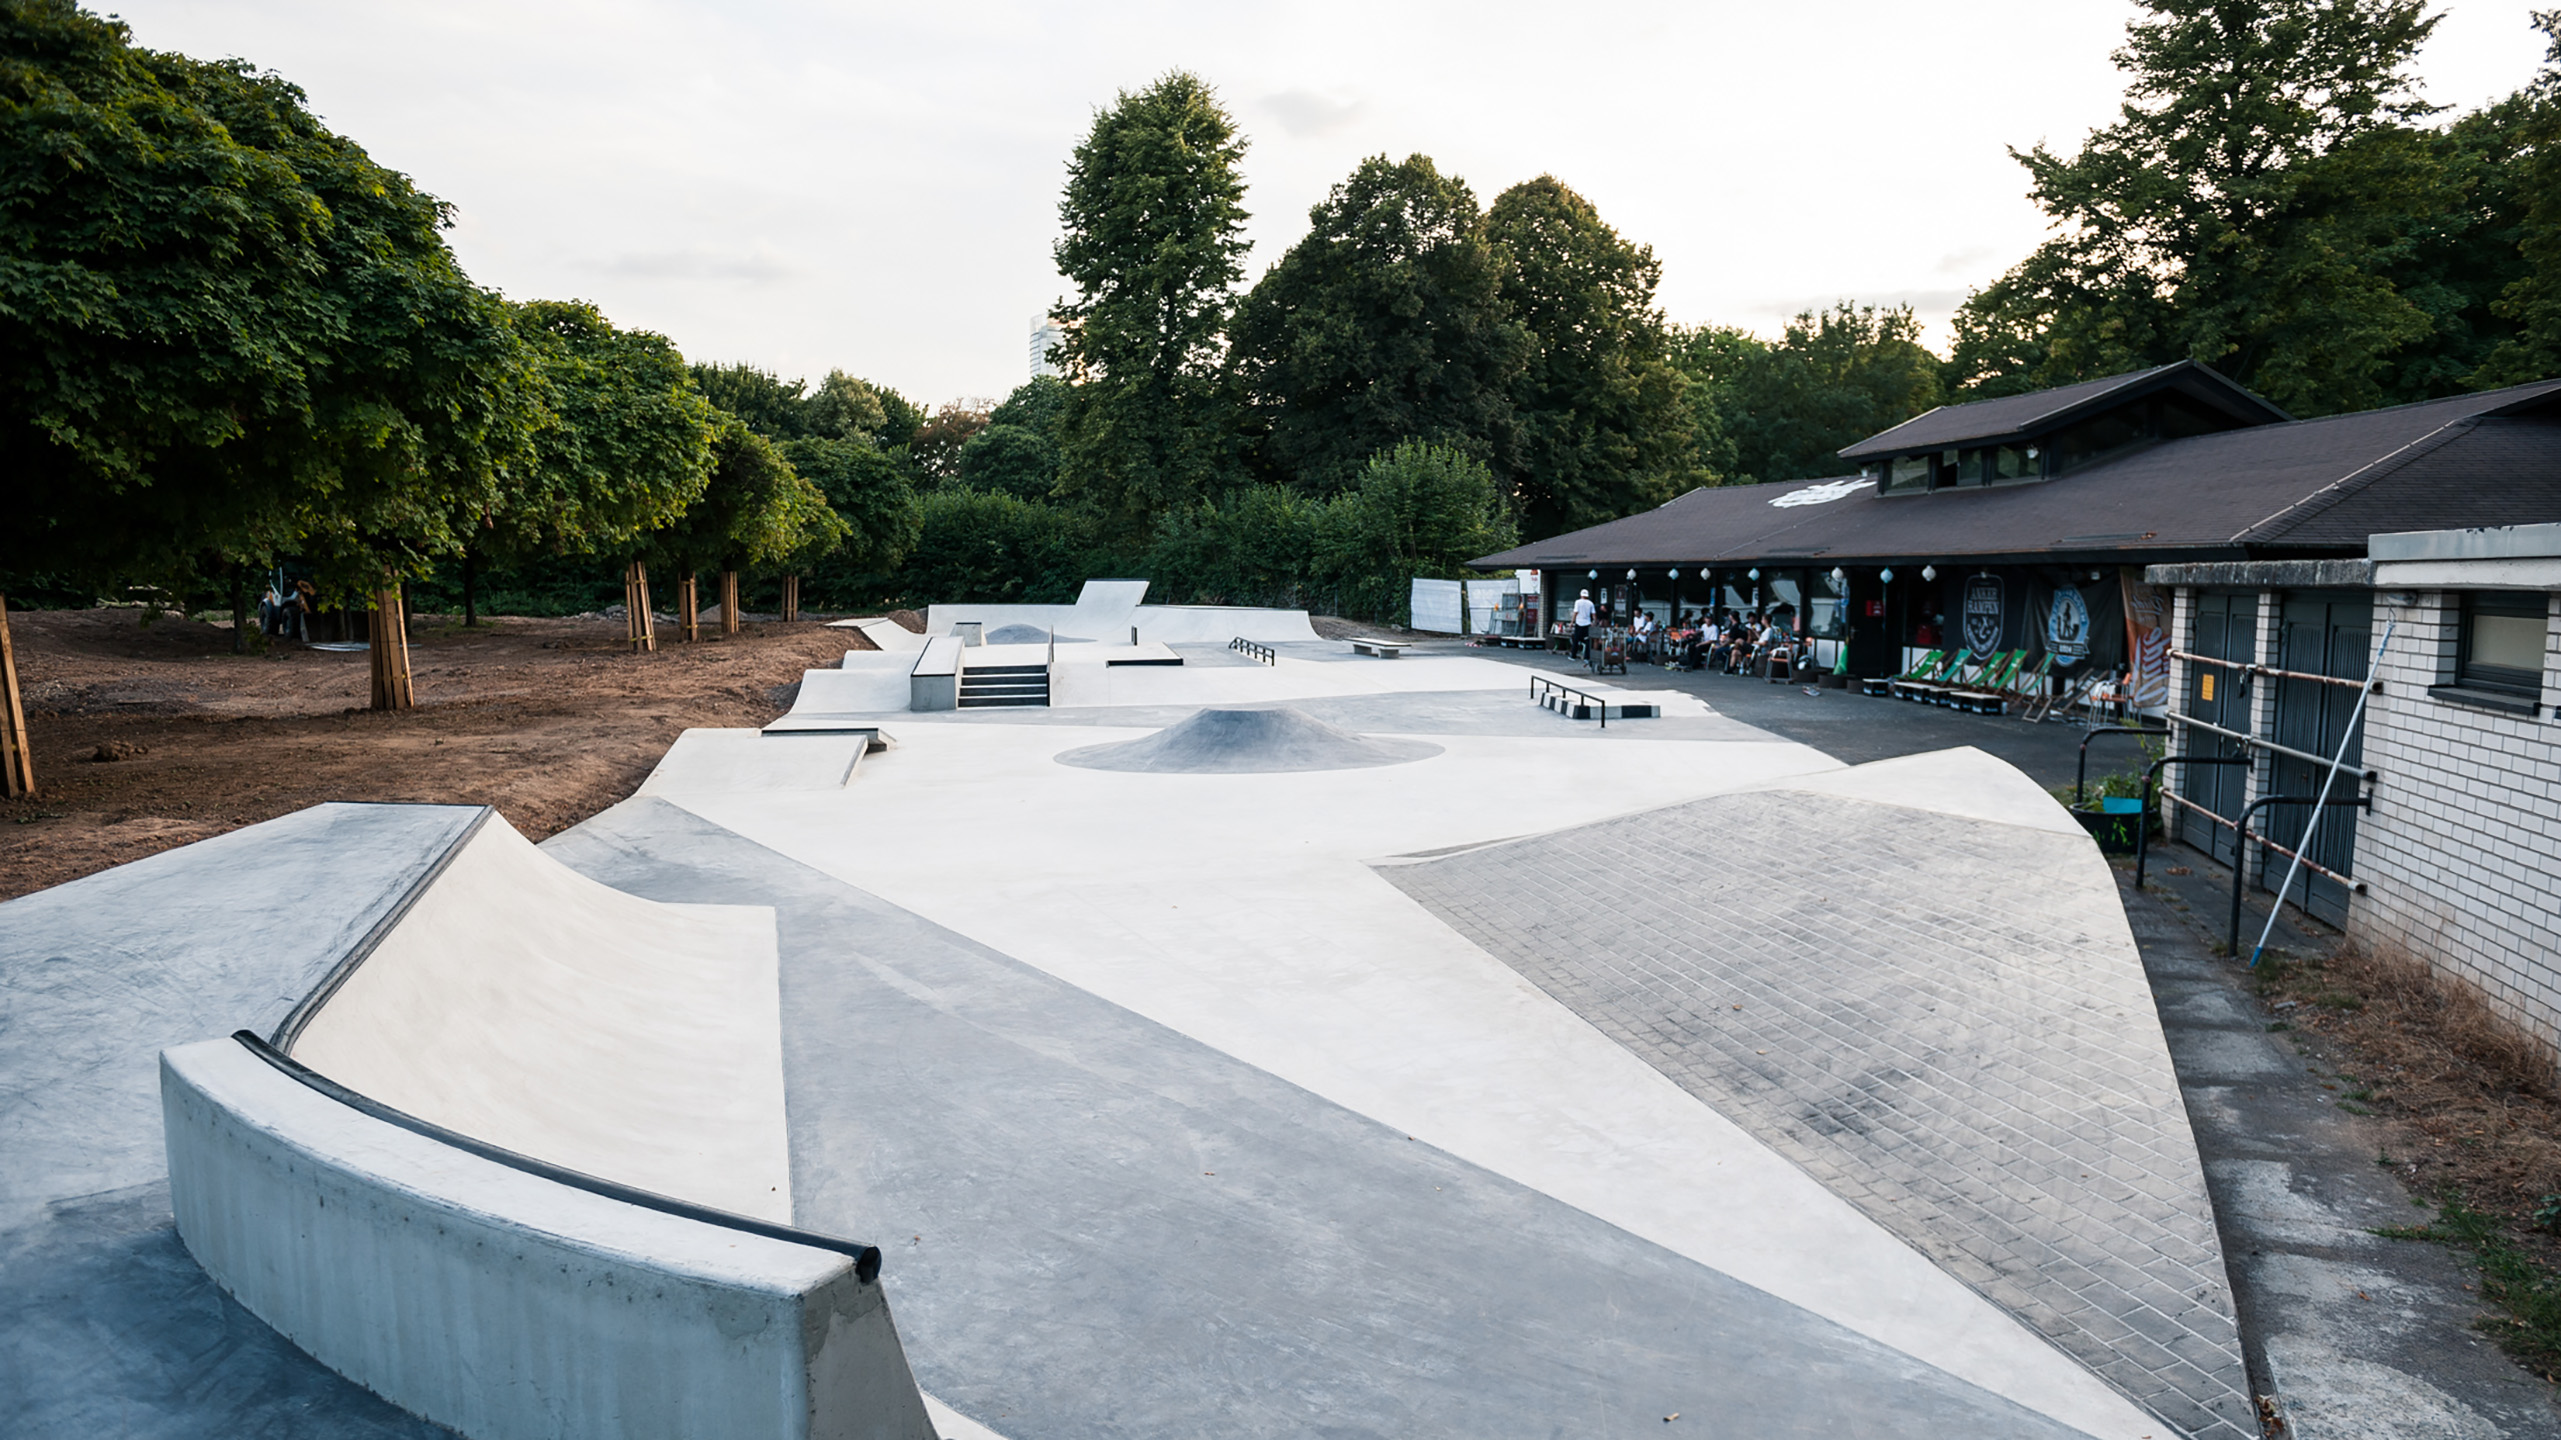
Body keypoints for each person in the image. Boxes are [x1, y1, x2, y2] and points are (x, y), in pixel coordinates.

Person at [1571, 589, 1595, 657]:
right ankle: (1587, 656)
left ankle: (1573, 655)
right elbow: (1593, 614)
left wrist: (1572, 622)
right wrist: (1594, 622)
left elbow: (1575, 612)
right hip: (1587, 623)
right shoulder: (1590, 603)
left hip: (1579, 623)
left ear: (1581, 595)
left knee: (1576, 639)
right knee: (1587, 640)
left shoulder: (1577, 602)